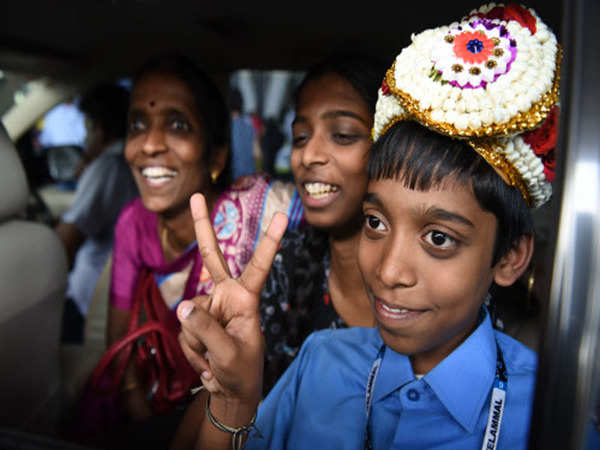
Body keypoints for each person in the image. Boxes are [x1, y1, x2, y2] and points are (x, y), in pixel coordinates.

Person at [173, 3, 560, 449]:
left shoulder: (550, 411)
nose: (389, 271)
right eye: (375, 222)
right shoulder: (321, 362)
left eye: (438, 238)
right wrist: (234, 401)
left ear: (509, 257)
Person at [94, 54, 303, 445]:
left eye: (177, 125)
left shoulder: (250, 220)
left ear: (217, 156)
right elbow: (118, 343)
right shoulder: (132, 222)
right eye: (138, 124)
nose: (150, 144)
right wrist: (135, 408)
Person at [258, 53, 386, 394]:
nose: (308, 155)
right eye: (300, 137)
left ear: (390, 148)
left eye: (342, 135)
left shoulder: (434, 285)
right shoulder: (289, 261)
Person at [56, 82, 138, 344]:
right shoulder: (127, 164)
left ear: (100, 130)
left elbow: (63, 244)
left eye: (88, 127)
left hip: (84, 305)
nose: (85, 138)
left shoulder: (107, 168)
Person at [228, 87, 258, 181]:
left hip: (232, 178)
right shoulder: (249, 124)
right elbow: (257, 153)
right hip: (249, 178)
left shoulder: (225, 126)